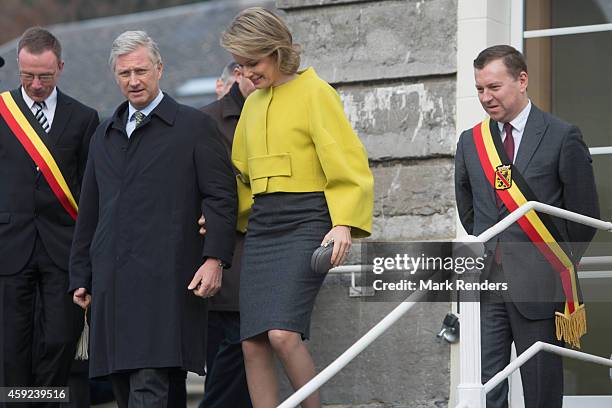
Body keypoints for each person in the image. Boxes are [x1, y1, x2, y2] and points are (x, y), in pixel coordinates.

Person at [68, 30, 237, 408]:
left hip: (168, 283)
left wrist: (215, 259)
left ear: (159, 69)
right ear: (115, 76)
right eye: (125, 73)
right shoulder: (103, 135)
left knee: (151, 383)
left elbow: (222, 196)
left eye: (141, 71)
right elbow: (91, 211)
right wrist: (80, 275)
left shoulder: (194, 127)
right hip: (112, 284)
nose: (134, 81)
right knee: (129, 389)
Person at [221, 8, 374, 407]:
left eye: (253, 62)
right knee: (252, 344)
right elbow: (241, 176)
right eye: (240, 65)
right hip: (262, 227)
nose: (247, 73)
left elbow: (347, 163)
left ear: (276, 51)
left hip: (308, 221)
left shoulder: (315, 92)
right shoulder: (252, 106)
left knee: (282, 335)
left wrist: (343, 223)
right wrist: (219, 218)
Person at [454, 45, 599, 408]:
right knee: (487, 387)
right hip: (487, 283)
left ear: (522, 80)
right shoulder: (471, 142)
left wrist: (551, 262)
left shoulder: (562, 135)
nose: (486, 98)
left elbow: (584, 215)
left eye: (494, 87)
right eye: (479, 89)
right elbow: (469, 210)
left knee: (540, 389)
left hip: (540, 282)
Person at [0, 26, 99, 402]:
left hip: (62, 247)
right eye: (27, 76)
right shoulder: (2, 110)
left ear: (60, 66)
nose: (36, 84)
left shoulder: (84, 117)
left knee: (59, 341)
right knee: (11, 346)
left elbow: (91, 192)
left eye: (44, 76)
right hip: (10, 246)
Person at [198, 64, 255, 408]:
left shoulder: (277, 109)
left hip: (264, 251)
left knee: (242, 358)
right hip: (222, 257)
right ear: (238, 72)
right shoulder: (206, 120)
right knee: (229, 353)